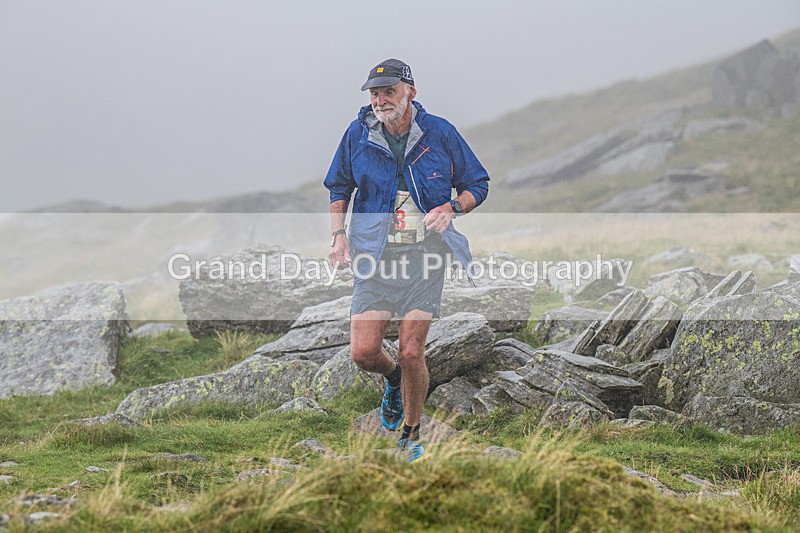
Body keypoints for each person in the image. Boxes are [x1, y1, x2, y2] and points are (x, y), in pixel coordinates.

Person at [323, 59, 489, 463]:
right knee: (363, 353)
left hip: (425, 257)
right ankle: (393, 378)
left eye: (389, 91)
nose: (380, 100)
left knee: (413, 350)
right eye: (374, 93)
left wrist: (452, 207)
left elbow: (477, 184)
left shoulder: (441, 133)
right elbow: (338, 186)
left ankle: (411, 435)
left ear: (410, 91)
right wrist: (338, 236)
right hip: (375, 257)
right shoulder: (357, 134)